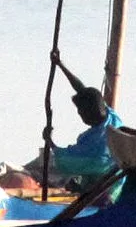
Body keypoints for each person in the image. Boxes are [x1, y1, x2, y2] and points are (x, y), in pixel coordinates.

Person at [47, 51, 121, 190]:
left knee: (74, 185)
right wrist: (60, 65)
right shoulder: (112, 118)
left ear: (89, 113)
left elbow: (66, 160)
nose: (80, 115)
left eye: (81, 113)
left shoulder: (95, 144)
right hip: (110, 186)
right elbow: (81, 89)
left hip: (105, 193)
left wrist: (49, 140)